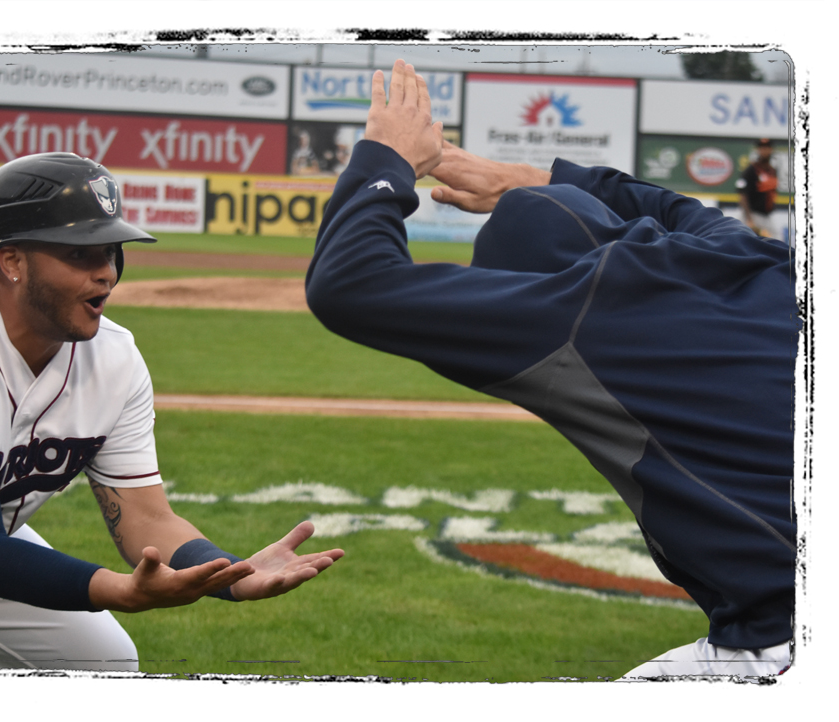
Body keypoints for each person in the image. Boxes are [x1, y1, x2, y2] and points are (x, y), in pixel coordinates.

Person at [305, 61, 798, 681]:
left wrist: (384, 159)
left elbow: (347, 287)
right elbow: (672, 207)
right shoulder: (752, 257)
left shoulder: (576, 317)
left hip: (787, 641)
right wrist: (536, 179)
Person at [0, 152, 344, 671]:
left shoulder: (114, 357)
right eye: (81, 254)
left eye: (111, 252)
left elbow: (146, 518)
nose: (106, 273)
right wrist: (121, 590)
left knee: (105, 662)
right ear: (11, 261)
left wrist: (230, 574)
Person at [736, 137, 783, 241]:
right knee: (744, 242)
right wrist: (749, 219)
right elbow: (743, 196)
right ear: (758, 150)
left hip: (766, 216)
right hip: (752, 214)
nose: (764, 150)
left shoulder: (773, 171)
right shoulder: (751, 170)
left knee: (778, 241)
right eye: (762, 148)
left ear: (771, 150)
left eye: (767, 148)